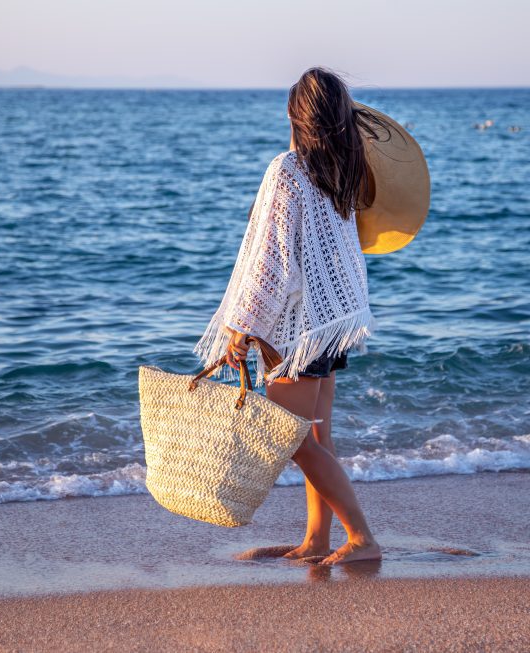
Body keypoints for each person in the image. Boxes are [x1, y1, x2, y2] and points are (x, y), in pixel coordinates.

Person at [193, 67, 384, 565]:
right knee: (315, 435)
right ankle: (318, 538)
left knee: (293, 439)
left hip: (300, 330)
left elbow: (272, 263)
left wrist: (244, 327)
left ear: (297, 117)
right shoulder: (343, 173)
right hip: (332, 323)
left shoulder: (289, 170)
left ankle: (361, 538)